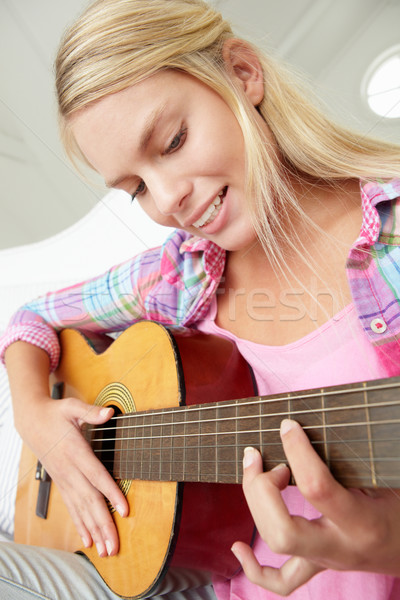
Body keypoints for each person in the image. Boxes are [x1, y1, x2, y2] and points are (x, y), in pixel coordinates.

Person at [1, 0, 400, 598]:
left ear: (242, 73)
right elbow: (29, 319)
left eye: (174, 141)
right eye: (135, 188)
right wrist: (38, 419)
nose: (167, 202)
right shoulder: (180, 275)